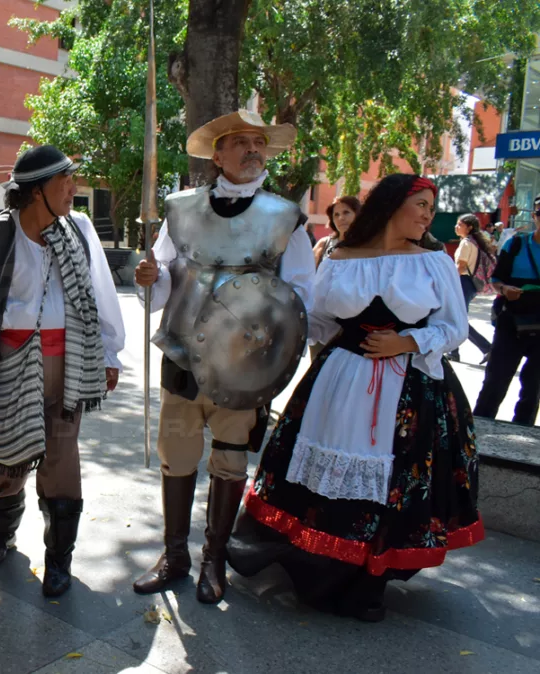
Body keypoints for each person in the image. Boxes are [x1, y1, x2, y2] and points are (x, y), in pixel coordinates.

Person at [227, 174, 483, 622]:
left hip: (409, 388)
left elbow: (454, 328)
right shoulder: (340, 258)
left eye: (431, 206)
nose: (428, 214)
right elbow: (321, 321)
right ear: (389, 207)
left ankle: (369, 579)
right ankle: (320, 567)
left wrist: (405, 342)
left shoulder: (435, 263)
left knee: (391, 486)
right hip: (340, 382)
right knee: (321, 478)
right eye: (420, 204)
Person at [132, 110, 315, 605]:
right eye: (241, 142)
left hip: (245, 362)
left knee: (230, 460)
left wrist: (275, 362)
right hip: (182, 354)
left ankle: (213, 558)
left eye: (259, 142)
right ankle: (175, 555)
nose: (253, 150)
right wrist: (151, 278)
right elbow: (166, 273)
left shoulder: (285, 217)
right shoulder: (180, 209)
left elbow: (300, 295)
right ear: (218, 154)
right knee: (176, 456)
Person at [0, 145, 125, 598]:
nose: (73, 189)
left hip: (69, 363)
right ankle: (2, 533)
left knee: (62, 460)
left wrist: (109, 352)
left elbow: (101, 292)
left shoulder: (78, 229)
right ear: (36, 193)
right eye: (64, 182)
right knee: (8, 462)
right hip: (12, 365)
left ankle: (59, 559)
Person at [473, 196, 540, 425]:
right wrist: (505, 289)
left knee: (533, 389)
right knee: (495, 382)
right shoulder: (517, 244)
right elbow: (496, 279)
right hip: (510, 325)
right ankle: (477, 434)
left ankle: (522, 438)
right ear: (534, 217)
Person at [448, 214, 494, 364]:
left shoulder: (466, 243)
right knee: (456, 319)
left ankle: (486, 348)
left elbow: (460, 267)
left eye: (459, 225)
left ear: (469, 227)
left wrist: (449, 282)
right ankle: (454, 352)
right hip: (470, 284)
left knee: (458, 320)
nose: (456, 227)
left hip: (463, 282)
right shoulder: (475, 243)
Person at [313, 196, 360, 268]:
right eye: (336, 215)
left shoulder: (369, 245)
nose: (341, 218)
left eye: (346, 212)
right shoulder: (324, 244)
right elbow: (307, 274)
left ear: (358, 215)